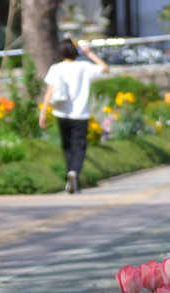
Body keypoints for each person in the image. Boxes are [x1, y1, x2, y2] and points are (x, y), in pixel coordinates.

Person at [39, 39, 109, 194]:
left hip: (61, 113)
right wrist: (89, 53)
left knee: (67, 146)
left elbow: (50, 91)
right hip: (79, 114)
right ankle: (74, 173)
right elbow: (104, 68)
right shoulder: (84, 67)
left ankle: (70, 176)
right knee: (79, 146)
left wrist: (43, 112)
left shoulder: (56, 68)